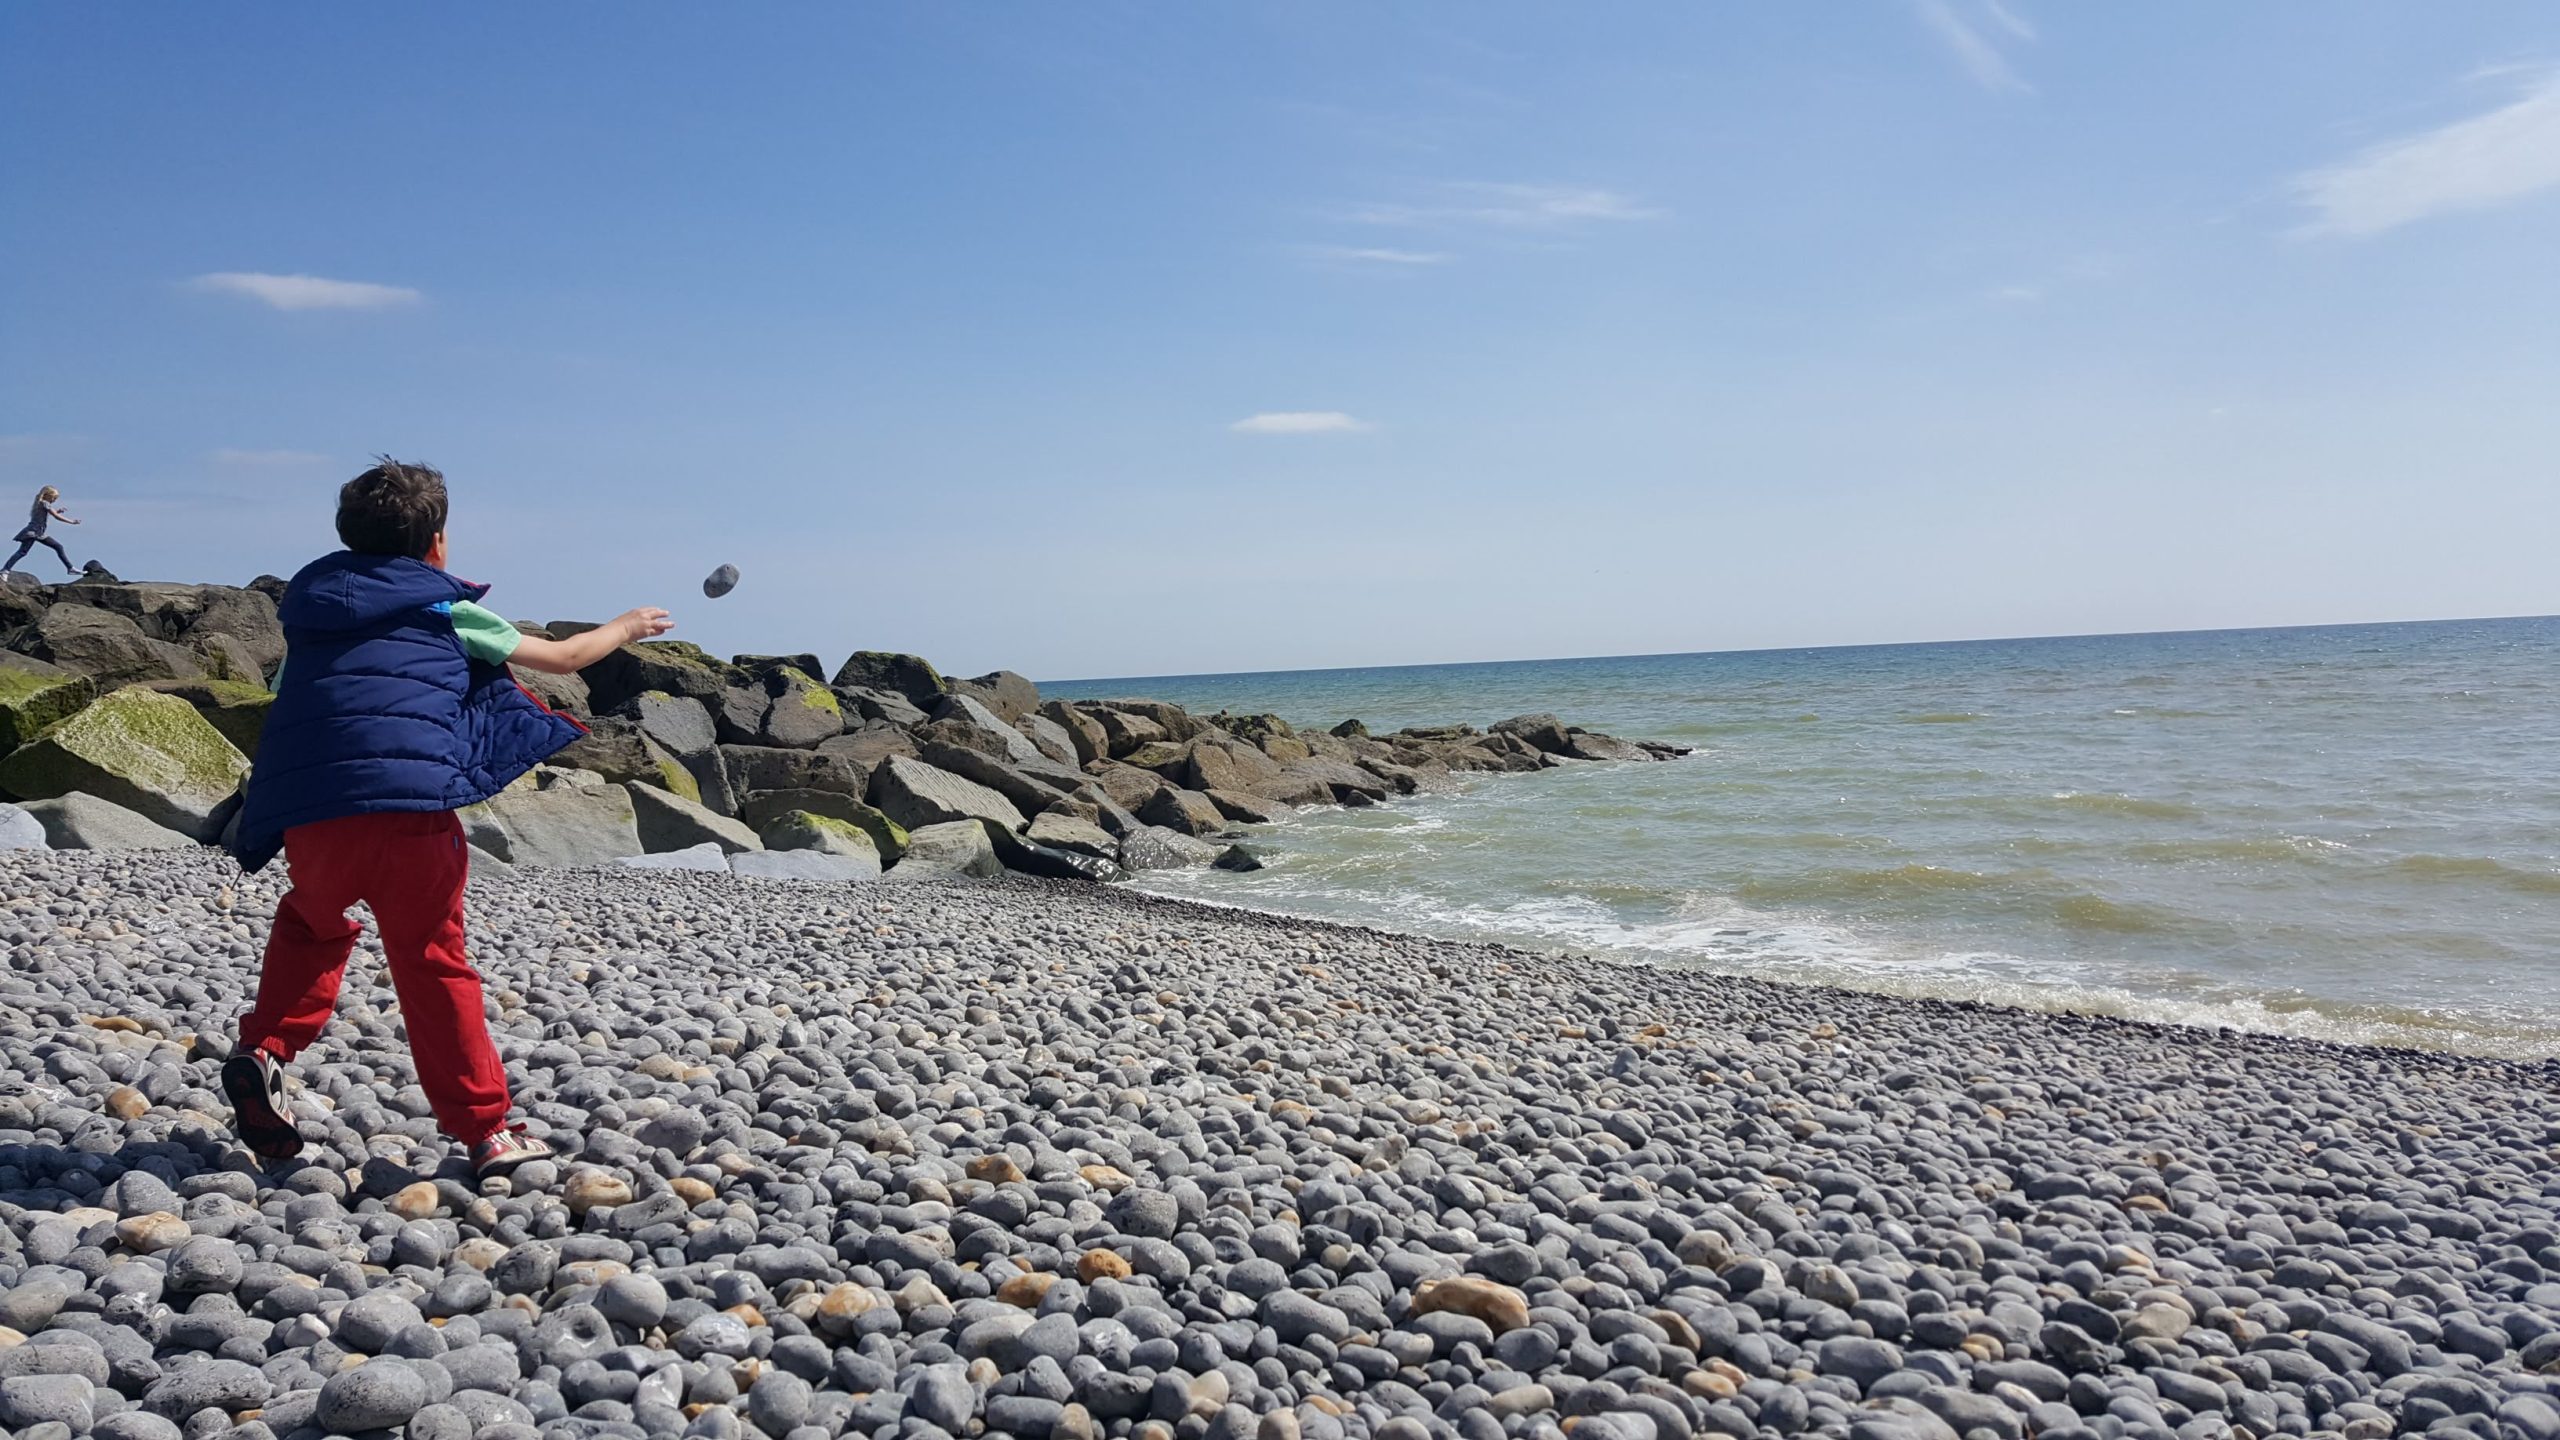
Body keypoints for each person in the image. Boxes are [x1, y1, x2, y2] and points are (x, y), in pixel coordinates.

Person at [222, 457, 673, 1179]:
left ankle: (264, 1051)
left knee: (312, 922)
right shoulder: (444, 606)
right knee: (432, 961)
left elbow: (297, 699)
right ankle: (488, 1130)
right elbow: (561, 658)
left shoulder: (307, 614)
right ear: (437, 543)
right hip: (410, 812)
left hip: (312, 812)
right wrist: (624, 625)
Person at [3, 486, 79, 576]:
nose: (54, 500)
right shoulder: (45, 503)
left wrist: (58, 511)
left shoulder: (40, 503)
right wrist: (72, 521)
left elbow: (47, 514)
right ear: (47, 495)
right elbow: (55, 516)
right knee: (22, 552)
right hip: (33, 532)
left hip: (39, 533)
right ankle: (5, 570)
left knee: (58, 547)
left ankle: (70, 568)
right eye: (54, 498)